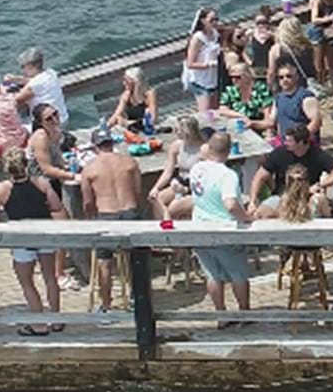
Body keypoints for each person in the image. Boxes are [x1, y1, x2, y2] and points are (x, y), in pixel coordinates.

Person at [0, 148, 68, 334]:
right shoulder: (42, 183)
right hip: (43, 234)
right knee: (50, 277)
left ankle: (38, 323)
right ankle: (56, 319)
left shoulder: (1, 189)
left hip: (21, 238)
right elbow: (56, 207)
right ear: (27, 164)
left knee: (27, 281)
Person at [78, 126, 144, 313]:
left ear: (95, 147)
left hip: (106, 216)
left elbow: (88, 203)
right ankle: (137, 297)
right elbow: (139, 193)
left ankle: (106, 305)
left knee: (104, 262)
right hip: (130, 213)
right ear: (112, 143)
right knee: (135, 258)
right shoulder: (130, 162)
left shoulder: (89, 169)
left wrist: (92, 219)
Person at [188, 131, 256, 312]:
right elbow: (231, 204)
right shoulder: (227, 175)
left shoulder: (196, 169)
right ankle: (244, 312)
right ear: (228, 152)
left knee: (212, 276)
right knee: (238, 275)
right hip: (224, 230)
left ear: (209, 148)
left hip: (200, 227)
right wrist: (246, 217)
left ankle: (220, 314)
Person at [26, 104, 81, 292]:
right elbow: (46, 168)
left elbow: (57, 160)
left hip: (51, 183)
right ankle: (59, 274)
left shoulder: (55, 132)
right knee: (63, 227)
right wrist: (72, 176)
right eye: (49, 118)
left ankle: (55, 266)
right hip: (39, 186)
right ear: (40, 122)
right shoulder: (41, 137)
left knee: (60, 225)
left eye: (56, 114)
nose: (55, 119)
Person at [249, 124, 333, 210]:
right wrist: (252, 202)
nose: (285, 143)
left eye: (289, 141)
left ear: (300, 142)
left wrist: (320, 185)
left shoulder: (317, 155)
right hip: (283, 196)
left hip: (307, 197)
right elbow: (259, 177)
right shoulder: (279, 154)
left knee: (320, 201)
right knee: (263, 211)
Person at [149, 114, 206, 221]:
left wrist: (186, 189)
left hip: (196, 187)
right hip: (180, 182)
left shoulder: (203, 149)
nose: (175, 132)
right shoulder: (177, 146)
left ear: (187, 131)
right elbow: (168, 171)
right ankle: (160, 228)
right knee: (156, 199)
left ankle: (169, 229)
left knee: (172, 209)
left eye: (178, 130)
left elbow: (207, 177)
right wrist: (156, 187)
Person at [262, 62, 321, 144]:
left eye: (288, 76)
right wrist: (251, 123)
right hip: (284, 142)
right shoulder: (278, 98)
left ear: (296, 77)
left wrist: (299, 139)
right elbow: (271, 122)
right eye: (281, 77)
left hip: (303, 145)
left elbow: (316, 122)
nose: (284, 80)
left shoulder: (306, 97)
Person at [181, 8, 223, 121]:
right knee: (205, 115)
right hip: (200, 80)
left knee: (214, 112)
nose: (215, 22)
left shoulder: (215, 34)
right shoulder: (198, 38)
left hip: (212, 79)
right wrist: (208, 65)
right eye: (212, 20)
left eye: (216, 19)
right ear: (203, 21)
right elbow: (190, 63)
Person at [12, 49, 70, 131]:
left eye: (23, 66)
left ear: (30, 66)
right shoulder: (51, 73)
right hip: (63, 119)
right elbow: (36, 82)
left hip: (49, 125)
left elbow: (17, 99)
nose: (22, 70)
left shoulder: (34, 84)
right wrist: (16, 79)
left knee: (17, 127)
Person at [268, 14, 315, 92]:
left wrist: (270, 87)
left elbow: (271, 73)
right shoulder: (307, 46)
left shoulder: (277, 49)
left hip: (285, 86)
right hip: (304, 85)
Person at [107, 66, 159, 133]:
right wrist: (106, 126)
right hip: (133, 130)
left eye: (126, 81)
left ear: (135, 82)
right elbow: (116, 115)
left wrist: (126, 122)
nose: (124, 83)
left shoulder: (149, 94)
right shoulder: (126, 95)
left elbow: (153, 120)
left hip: (148, 130)